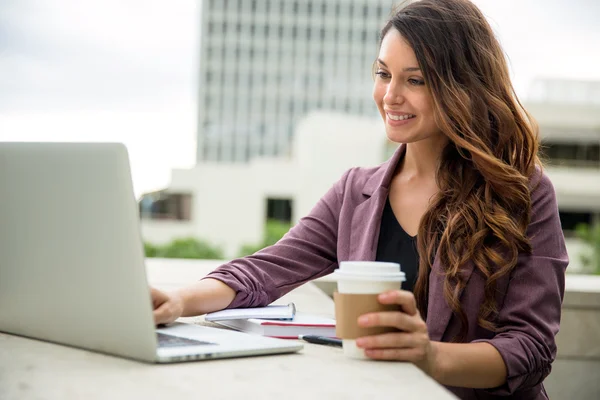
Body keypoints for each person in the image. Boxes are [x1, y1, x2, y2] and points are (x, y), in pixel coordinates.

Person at [151, 0, 568, 398]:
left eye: (415, 80)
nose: (390, 96)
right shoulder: (357, 192)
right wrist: (179, 300)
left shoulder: (522, 192)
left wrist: (429, 357)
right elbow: (263, 271)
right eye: (384, 73)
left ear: (462, 87)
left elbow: (531, 349)